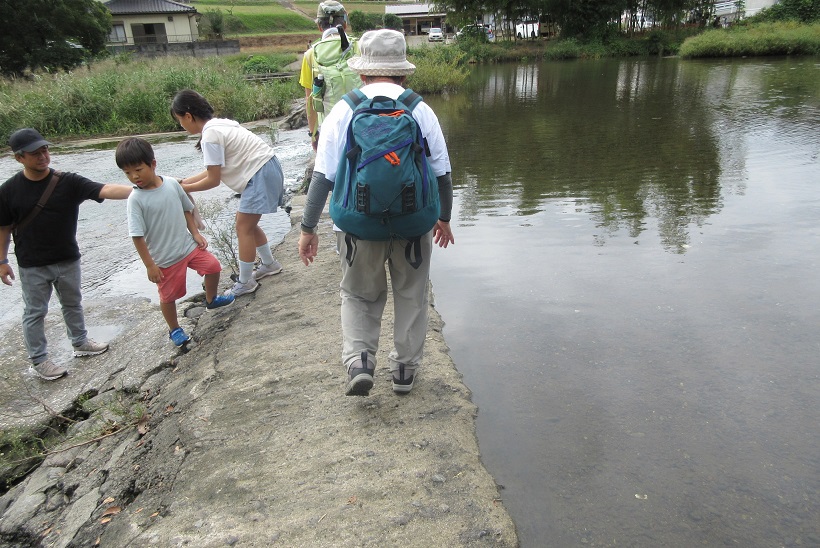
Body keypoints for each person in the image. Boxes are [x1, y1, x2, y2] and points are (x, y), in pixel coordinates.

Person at [298, 29, 455, 397]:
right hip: (413, 222)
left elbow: (323, 176)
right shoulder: (420, 108)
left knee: (358, 295)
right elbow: (442, 173)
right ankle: (404, 371)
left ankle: (360, 362)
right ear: (403, 71)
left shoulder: (344, 108)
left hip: (358, 225)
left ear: (361, 71)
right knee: (411, 295)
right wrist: (444, 218)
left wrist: (308, 228)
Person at [0, 128, 132, 381]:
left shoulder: (67, 182)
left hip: (67, 258)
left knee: (72, 303)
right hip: (32, 264)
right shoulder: (8, 191)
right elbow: (3, 228)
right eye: (35, 153)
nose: (43, 156)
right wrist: (2, 261)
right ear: (19, 158)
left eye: (45, 150)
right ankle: (39, 360)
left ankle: (80, 342)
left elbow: (104, 189)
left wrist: (145, 187)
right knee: (35, 312)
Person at [115, 137, 234, 347]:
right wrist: (150, 265)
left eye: (138, 169)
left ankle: (211, 299)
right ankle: (174, 329)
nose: (134, 176)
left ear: (153, 164)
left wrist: (195, 233)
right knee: (168, 296)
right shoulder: (136, 199)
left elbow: (186, 209)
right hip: (164, 258)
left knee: (213, 266)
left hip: (187, 246)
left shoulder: (171, 184)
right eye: (127, 173)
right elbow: (137, 236)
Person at [171, 89, 285, 297]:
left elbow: (213, 180)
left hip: (260, 173)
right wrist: (183, 182)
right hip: (268, 167)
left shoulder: (210, 135)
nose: (181, 125)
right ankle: (269, 264)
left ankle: (245, 282)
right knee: (247, 224)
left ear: (188, 116)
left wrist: (183, 189)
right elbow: (213, 171)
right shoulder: (220, 124)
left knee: (243, 227)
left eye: (179, 120)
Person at [298, 0, 360, 152]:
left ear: (320, 26)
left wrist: (313, 135)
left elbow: (310, 102)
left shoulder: (310, 55)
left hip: (331, 131)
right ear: (345, 24)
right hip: (362, 127)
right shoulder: (359, 47)